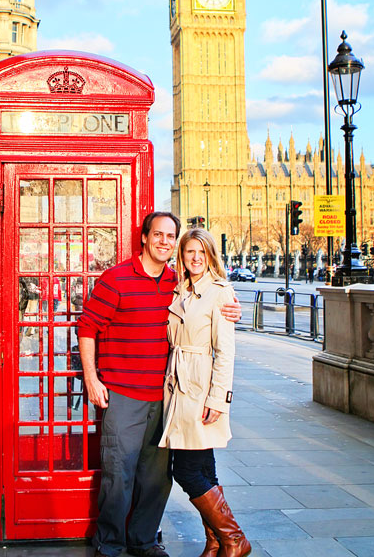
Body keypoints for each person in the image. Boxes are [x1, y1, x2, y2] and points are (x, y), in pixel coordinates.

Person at [77, 212, 242, 557]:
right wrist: (92, 379)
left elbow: (211, 304)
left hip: (167, 399)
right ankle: (109, 544)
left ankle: (144, 540)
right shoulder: (116, 278)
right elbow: (87, 328)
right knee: (117, 476)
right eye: (158, 235)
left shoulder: (176, 284)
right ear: (144, 237)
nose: (164, 241)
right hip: (122, 395)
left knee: (156, 480)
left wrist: (231, 307)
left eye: (171, 236)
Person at [159, 228, 251, 557]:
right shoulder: (178, 290)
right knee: (205, 470)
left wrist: (218, 400)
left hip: (199, 388)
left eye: (202, 252)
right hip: (176, 385)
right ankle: (216, 541)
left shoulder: (220, 293)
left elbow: (225, 353)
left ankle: (235, 538)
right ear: (181, 256)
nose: (196, 258)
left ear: (211, 255)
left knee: (185, 471)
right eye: (189, 252)